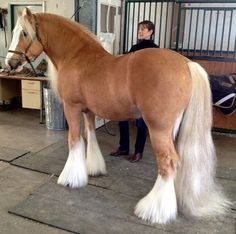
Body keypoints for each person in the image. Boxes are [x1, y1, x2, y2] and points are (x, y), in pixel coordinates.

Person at [110, 20, 159, 163]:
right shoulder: (134, 47)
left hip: (144, 90)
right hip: (129, 88)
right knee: (122, 118)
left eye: (143, 29)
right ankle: (123, 147)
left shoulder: (155, 50)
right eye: (139, 29)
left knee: (141, 122)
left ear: (151, 32)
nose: (140, 31)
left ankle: (139, 152)